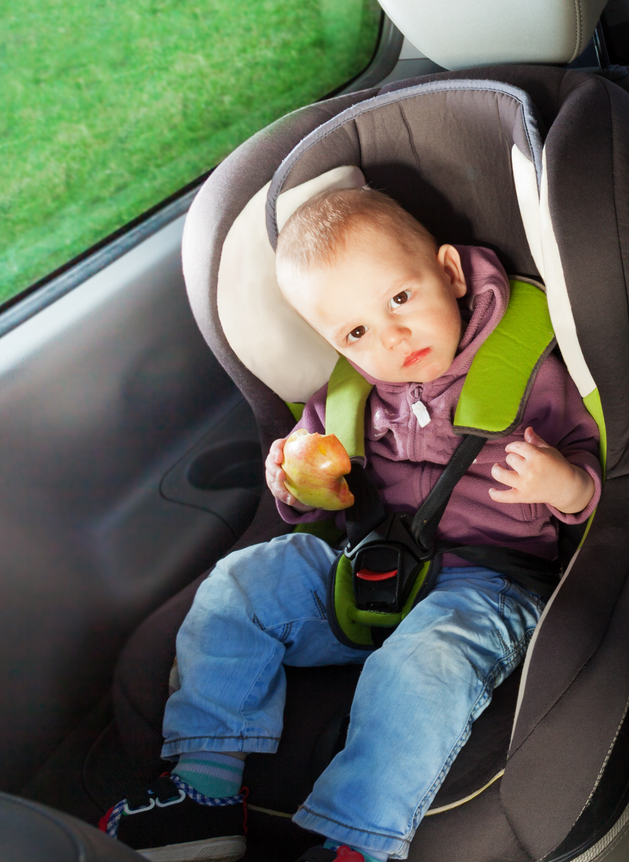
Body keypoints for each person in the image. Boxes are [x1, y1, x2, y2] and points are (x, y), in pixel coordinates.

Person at [99, 187, 602, 862]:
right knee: (242, 583)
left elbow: (604, 480)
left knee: (421, 666)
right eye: (356, 333)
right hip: (366, 567)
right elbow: (316, 497)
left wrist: (562, 483)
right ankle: (206, 790)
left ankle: (356, 844)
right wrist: (296, 485)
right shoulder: (350, 391)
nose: (391, 338)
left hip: (490, 581)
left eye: (400, 299)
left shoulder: (528, 366)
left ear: (450, 274)